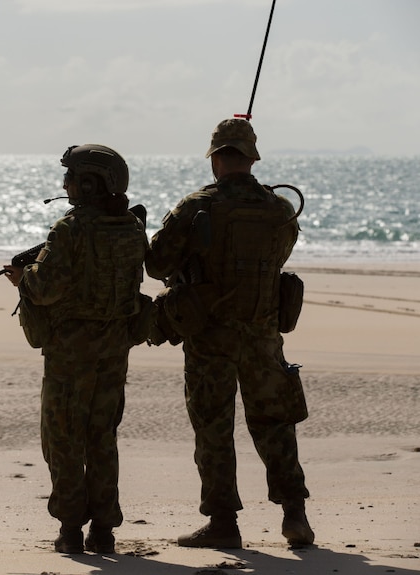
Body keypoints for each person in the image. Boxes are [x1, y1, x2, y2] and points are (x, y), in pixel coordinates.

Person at [145, 118, 314, 549]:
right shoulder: (279, 208)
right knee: (276, 424)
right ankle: (294, 513)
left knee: (213, 428)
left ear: (216, 159)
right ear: (252, 158)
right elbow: (280, 253)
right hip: (263, 336)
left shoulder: (196, 206)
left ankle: (223, 522)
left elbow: (157, 265)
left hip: (210, 337)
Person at [4, 144, 148, 554]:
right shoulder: (131, 227)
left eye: (70, 177)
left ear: (89, 182)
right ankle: (103, 530)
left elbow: (45, 288)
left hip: (70, 352)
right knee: (101, 436)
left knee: (63, 438)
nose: (65, 185)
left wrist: (24, 277)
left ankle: (70, 530)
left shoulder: (69, 229)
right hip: (115, 347)